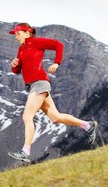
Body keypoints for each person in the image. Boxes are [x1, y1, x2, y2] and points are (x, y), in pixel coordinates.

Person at [7, 23, 98, 163]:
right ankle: (88, 125)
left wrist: (56, 63)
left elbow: (58, 45)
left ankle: (25, 151)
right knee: (55, 117)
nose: (16, 37)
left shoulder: (36, 42)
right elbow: (18, 70)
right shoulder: (21, 49)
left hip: (40, 83)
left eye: (18, 33)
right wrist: (14, 66)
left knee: (27, 116)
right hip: (33, 85)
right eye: (15, 34)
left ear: (27, 32)